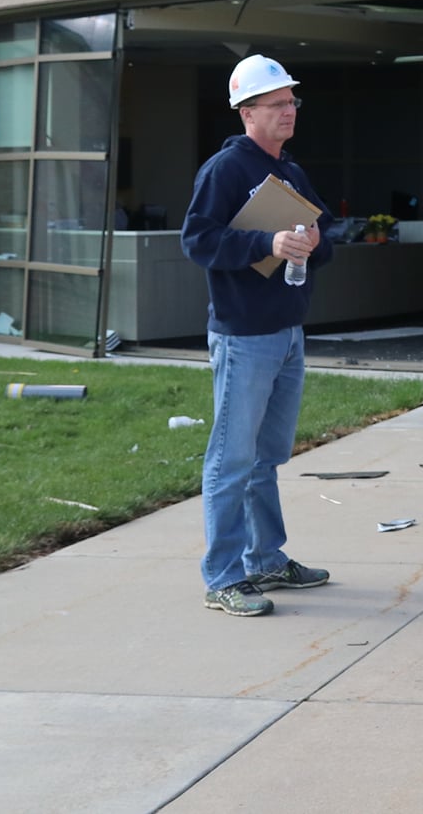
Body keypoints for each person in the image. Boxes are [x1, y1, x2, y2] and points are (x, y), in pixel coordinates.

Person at [180, 54, 335, 617]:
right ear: (247, 112)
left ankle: (266, 559)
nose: (288, 110)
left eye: (292, 101)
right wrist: (265, 245)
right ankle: (223, 576)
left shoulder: (290, 171)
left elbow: (324, 235)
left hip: (287, 331)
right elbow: (197, 241)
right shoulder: (225, 170)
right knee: (231, 459)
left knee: (266, 457)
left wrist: (315, 243)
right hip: (244, 336)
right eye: (276, 103)